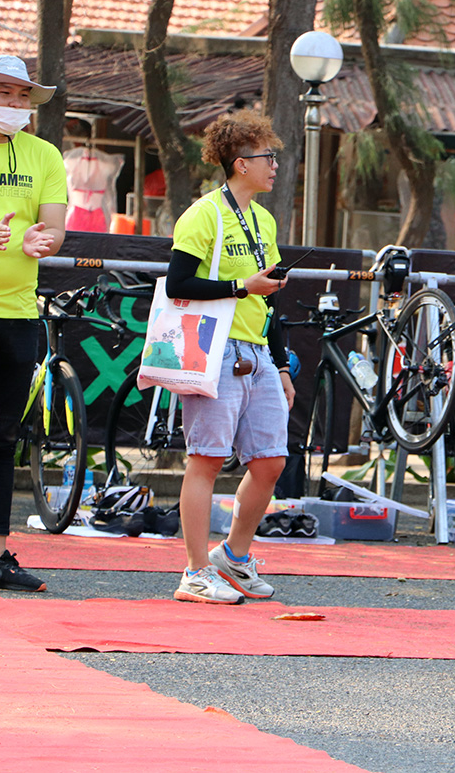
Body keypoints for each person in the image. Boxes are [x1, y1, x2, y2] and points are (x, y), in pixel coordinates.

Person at [166, 110, 295, 605]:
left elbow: (269, 298)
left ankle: (234, 558)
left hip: (257, 351)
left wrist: (281, 365)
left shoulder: (262, 218)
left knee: (270, 462)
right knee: (206, 459)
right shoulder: (203, 214)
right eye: (268, 157)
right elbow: (178, 283)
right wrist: (243, 286)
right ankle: (195, 571)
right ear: (241, 163)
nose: (275, 165)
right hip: (213, 348)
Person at [0, 55, 66, 592]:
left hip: (14, 312)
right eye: (4, 93)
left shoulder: (44, 154)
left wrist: (43, 240)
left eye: (22, 95)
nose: (15, 104)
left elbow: (53, 227)